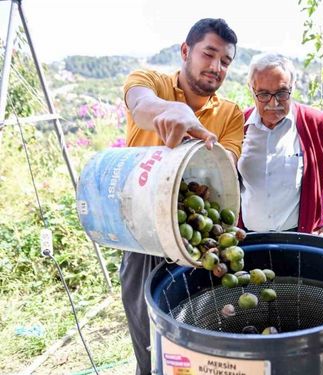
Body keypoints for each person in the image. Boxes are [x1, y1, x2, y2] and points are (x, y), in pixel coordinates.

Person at [120, 18, 244, 375]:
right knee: (149, 340)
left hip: (198, 240)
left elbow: (225, 165)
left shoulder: (230, 114)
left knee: (200, 334)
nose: (216, 67)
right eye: (209, 54)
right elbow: (141, 104)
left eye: (226, 61)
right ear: (186, 51)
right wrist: (171, 112)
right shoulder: (150, 82)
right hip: (143, 236)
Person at [237, 53, 323, 237]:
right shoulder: (238, 125)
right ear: (251, 89)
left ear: (292, 88)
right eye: (263, 94)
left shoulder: (315, 123)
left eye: (282, 93)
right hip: (249, 241)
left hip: (301, 241)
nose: (273, 102)